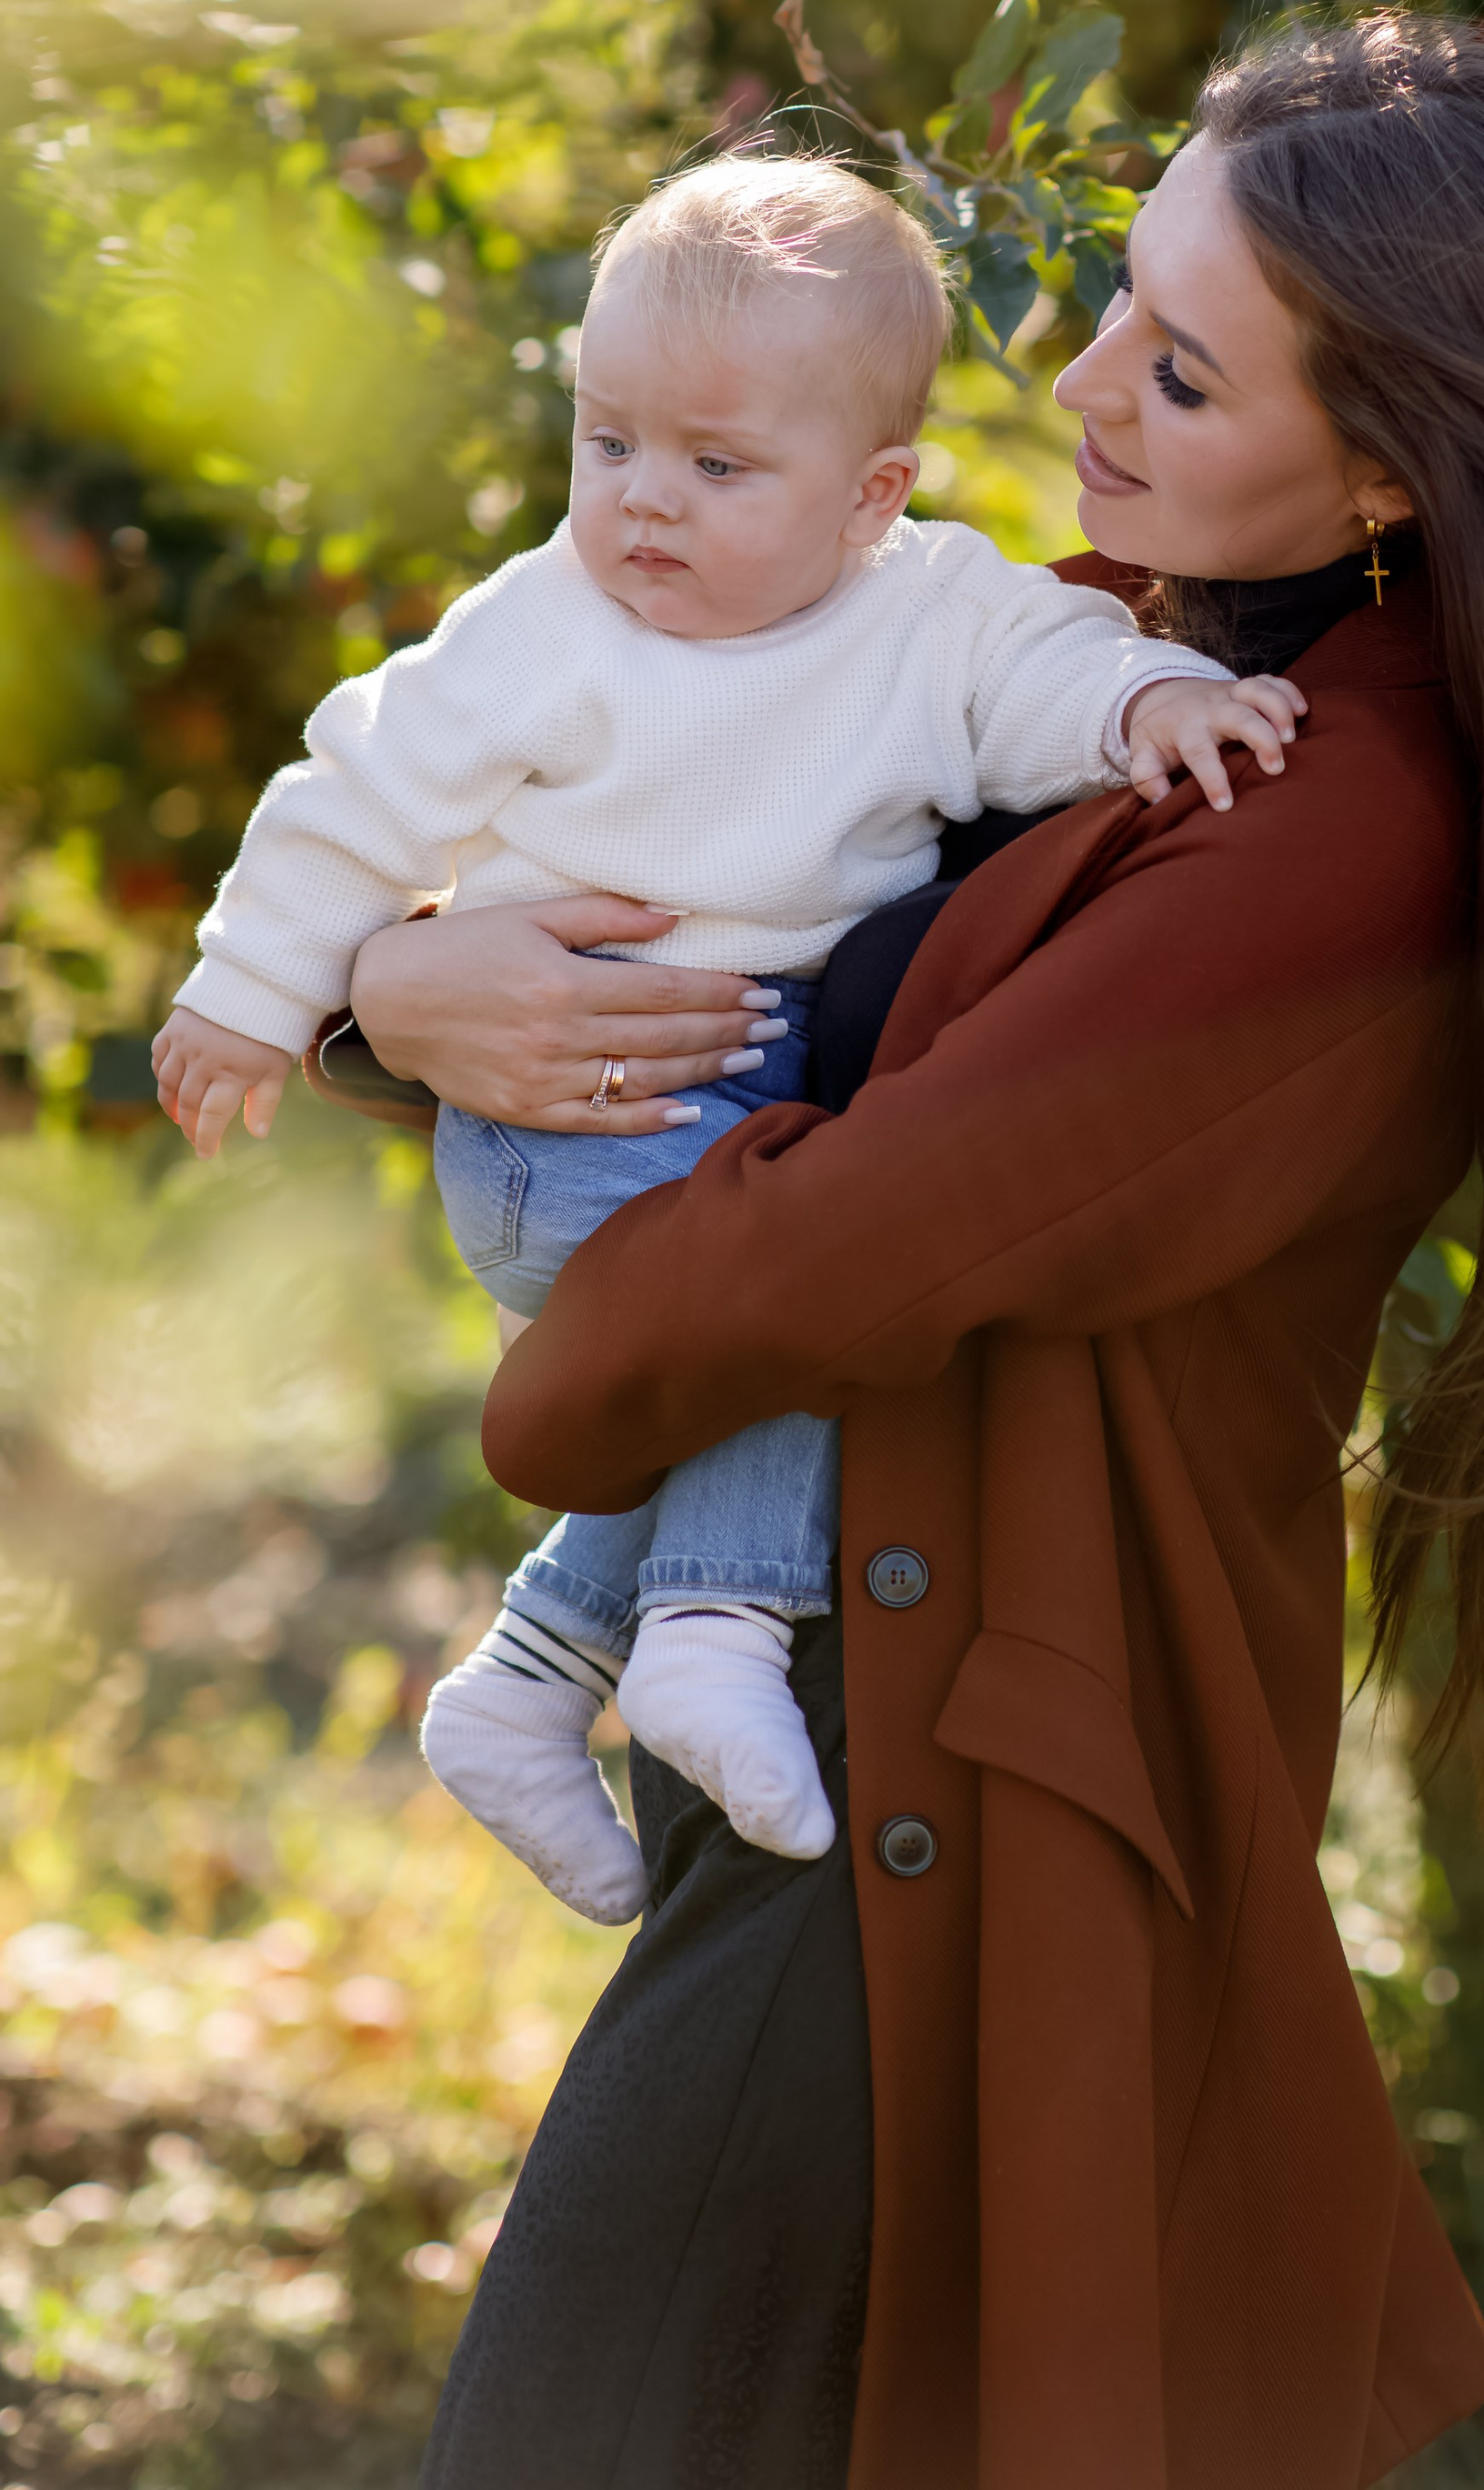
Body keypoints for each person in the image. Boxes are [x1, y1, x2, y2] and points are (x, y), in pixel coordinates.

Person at [341, 12, 1484, 2490]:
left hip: (929, 1790)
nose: (1083, 377)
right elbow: (684, 852)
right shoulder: (1134, 657)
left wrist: (565, 1379)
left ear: (1384, 468)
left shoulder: (1338, 835)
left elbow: (852, 1247)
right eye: (1124, 294)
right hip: (828, 1695)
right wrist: (385, 987)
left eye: (1184, 368)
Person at [150, 154, 1301, 1923]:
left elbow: (1052, 669)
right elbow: (353, 791)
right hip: (559, 1129)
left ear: (870, 496)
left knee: (791, 1258)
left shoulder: (927, 614)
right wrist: (251, 995)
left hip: (738, 1116)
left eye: (716, 465)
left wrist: (1156, 698)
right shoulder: (548, 626)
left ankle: (530, 1680)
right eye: (608, 441)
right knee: (791, 1293)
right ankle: (711, 1629)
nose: (642, 504)